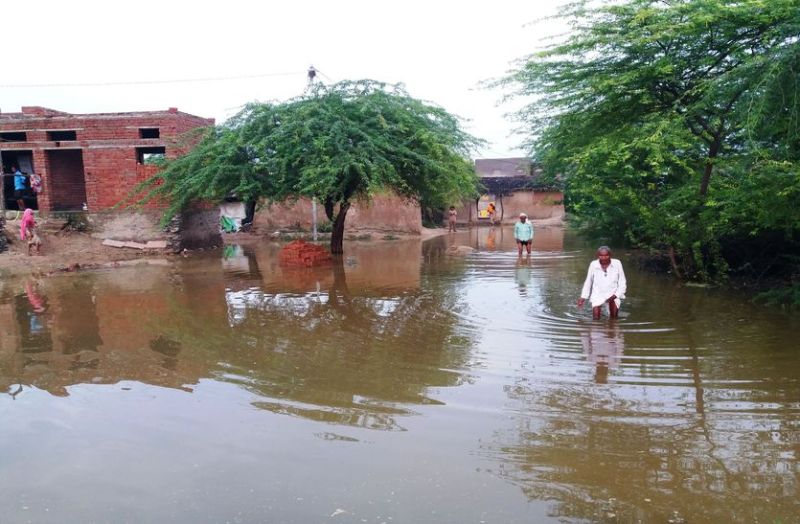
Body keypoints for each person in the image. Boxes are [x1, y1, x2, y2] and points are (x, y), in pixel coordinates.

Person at [578, 246, 627, 319]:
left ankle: (611, 329)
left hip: (613, 293)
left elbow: (622, 281)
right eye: (601, 256)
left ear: (610, 255)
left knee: (613, 318)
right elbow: (588, 281)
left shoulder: (617, 263)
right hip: (597, 293)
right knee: (596, 318)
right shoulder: (593, 264)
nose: (604, 258)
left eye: (606, 255)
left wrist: (616, 295)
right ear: (598, 256)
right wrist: (583, 297)